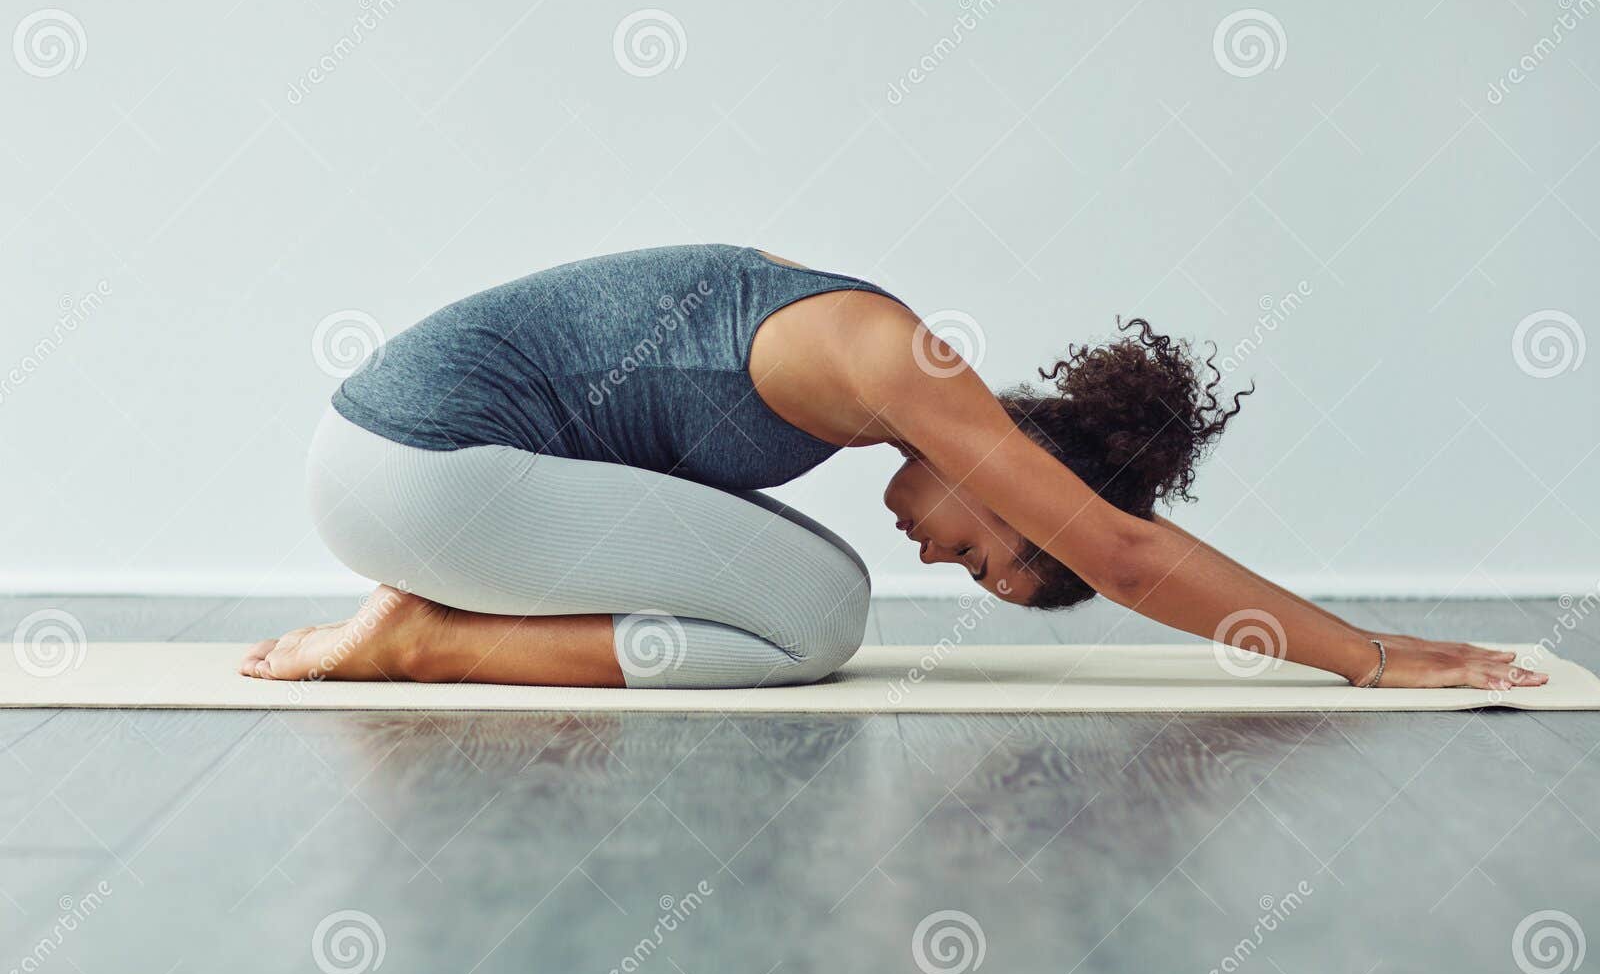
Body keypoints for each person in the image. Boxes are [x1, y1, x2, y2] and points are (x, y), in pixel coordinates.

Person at [240, 244, 1546, 693]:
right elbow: (1128, 553)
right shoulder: (895, 359)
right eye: (987, 550)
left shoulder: (858, 373)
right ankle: (427, 640)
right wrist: (1366, 651)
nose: (946, 556)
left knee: (816, 590)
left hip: (411, 463)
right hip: (423, 468)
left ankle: (430, 618)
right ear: (1022, 466)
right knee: (821, 617)